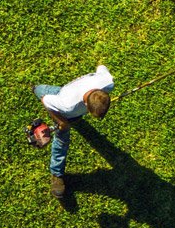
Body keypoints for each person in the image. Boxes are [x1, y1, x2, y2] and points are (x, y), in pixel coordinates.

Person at [32, 64, 114, 198]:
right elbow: (46, 101)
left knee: (74, 115)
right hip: (63, 101)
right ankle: (57, 174)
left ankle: (39, 89)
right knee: (61, 140)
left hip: (72, 99)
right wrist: (62, 122)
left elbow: (101, 66)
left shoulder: (108, 83)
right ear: (86, 104)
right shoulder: (68, 105)